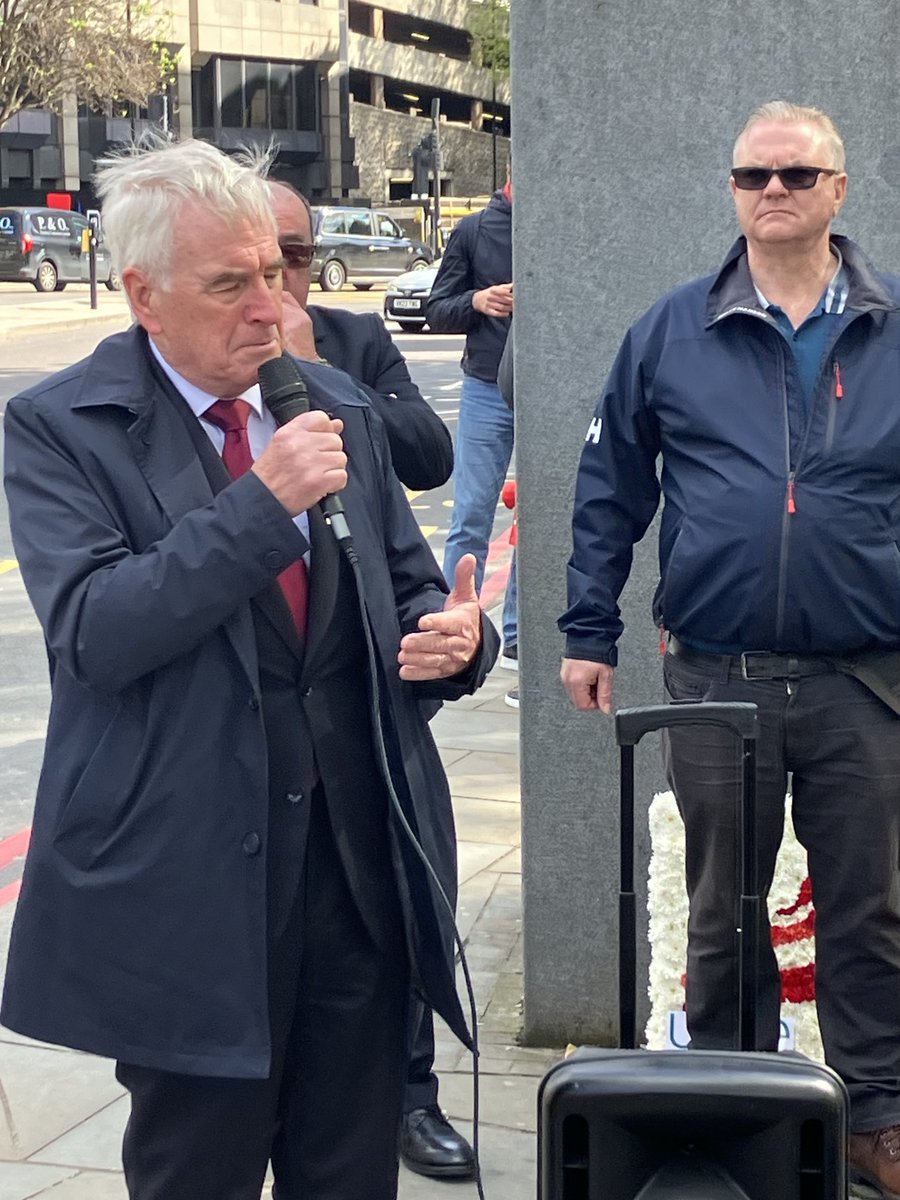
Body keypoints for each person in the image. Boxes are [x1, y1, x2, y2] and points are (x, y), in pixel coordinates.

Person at [1, 135, 499, 1200]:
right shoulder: (61, 428)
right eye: (230, 285)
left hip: (354, 868)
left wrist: (455, 641)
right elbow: (96, 631)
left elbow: (405, 583)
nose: (269, 310)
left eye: (275, 273)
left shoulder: (330, 399)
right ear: (143, 295)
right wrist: (259, 505)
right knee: (200, 1171)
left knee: (348, 1170)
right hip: (195, 884)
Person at [559, 100, 900, 1199]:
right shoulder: (672, 329)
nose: (775, 191)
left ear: (840, 190)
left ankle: (875, 1121)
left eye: (799, 175)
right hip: (716, 675)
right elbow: (609, 488)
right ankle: (733, 1104)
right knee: (722, 906)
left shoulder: (894, 327)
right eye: (754, 174)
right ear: (734, 190)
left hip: (866, 678)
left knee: (870, 909)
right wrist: (586, 628)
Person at [269, 178, 476, 1180]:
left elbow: (432, 456)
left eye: (296, 256)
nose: (280, 279)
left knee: (390, 923)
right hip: (268, 762)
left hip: (371, 729)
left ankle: (413, 1094)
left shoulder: (350, 345)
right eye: (256, 259)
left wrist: (312, 382)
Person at [268, 180, 453, 494]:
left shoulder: (358, 338)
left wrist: (319, 370)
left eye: (294, 254)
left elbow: (432, 463)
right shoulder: (197, 349)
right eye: (262, 257)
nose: (276, 272)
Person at [425, 162, 517, 681]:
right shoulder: (476, 229)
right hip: (486, 387)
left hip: (543, 389)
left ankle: (518, 639)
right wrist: (478, 301)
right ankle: (452, 630)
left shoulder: (562, 223)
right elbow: (436, 309)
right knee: (471, 515)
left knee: (539, 519)